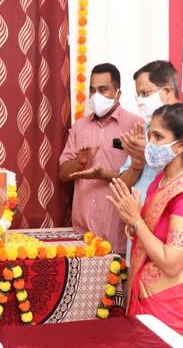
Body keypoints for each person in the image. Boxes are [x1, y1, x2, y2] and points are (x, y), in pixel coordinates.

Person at [106, 103, 183, 347]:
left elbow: (171, 262)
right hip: (146, 295)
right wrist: (132, 223)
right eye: (150, 134)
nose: (150, 144)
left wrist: (136, 220)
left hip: (171, 305)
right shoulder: (160, 182)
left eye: (158, 137)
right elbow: (148, 233)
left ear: (182, 145)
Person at [59, 63, 143, 253]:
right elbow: (63, 175)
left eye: (103, 90)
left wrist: (102, 174)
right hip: (83, 236)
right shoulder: (79, 127)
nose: (95, 96)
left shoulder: (136, 125)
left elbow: (141, 175)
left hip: (121, 234)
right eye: (92, 90)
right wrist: (79, 161)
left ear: (118, 93)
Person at [119, 60, 183, 197]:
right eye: (138, 95)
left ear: (167, 91)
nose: (140, 101)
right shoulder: (144, 128)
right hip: (136, 215)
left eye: (145, 93)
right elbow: (121, 187)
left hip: (172, 215)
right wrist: (137, 164)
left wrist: (149, 155)